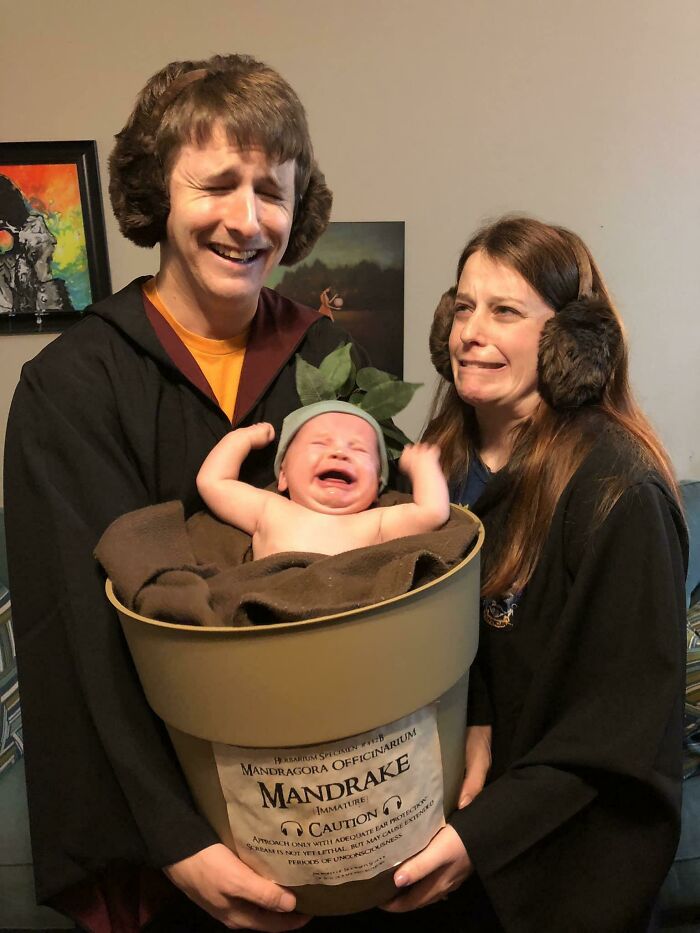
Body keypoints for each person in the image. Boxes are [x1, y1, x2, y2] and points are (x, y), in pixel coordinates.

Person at [3, 53, 387, 933]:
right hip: (170, 842)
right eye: (216, 185)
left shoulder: (336, 370)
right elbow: (81, 635)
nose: (248, 221)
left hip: (337, 810)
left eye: (273, 191)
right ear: (155, 194)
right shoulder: (72, 389)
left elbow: (387, 575)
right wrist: (176, 839)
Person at [377, 215, 687, 932]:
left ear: (570, 342)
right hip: (437, 845)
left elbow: (620, 729)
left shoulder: (620, 492)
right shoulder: (435, 471)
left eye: (505, 311)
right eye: (462, 306)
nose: (467, 333)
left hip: (553, 872)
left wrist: (476, 840)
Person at [196, 401, 449, 559]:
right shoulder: (269, 509)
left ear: (376, 488)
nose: (339, 453)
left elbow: (432, 512)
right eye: (319, 443)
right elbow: (213, 482)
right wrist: (241, 439)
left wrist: (424, 467)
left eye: (358, 449)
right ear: (283, 475)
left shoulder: (377, 523)